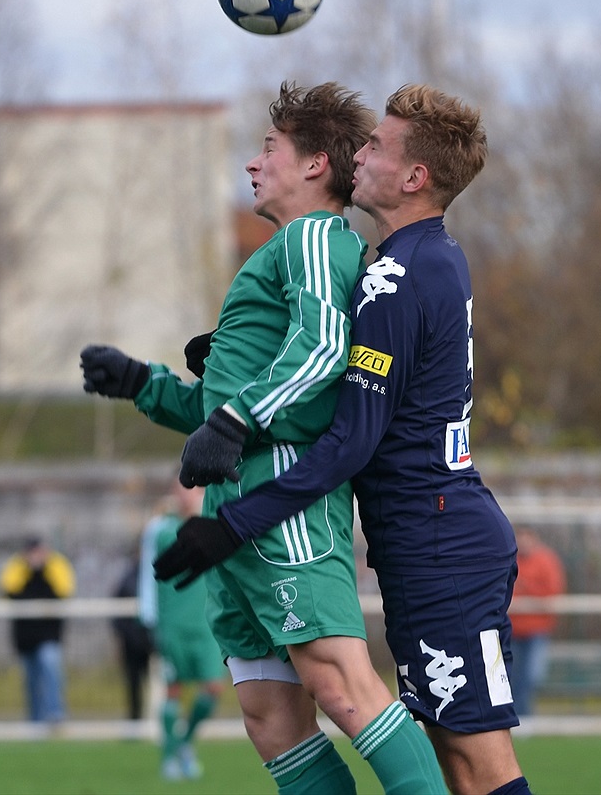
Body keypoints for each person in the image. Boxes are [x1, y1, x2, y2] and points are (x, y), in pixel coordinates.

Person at [155, 84, 535, 795]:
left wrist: (236, 522)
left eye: (377, 147)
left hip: (443, 542)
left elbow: (350, 441)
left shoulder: (398, 275)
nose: (359, 156)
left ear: (415, 176)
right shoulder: (402, 264)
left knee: (479, 763)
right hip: (420, 541)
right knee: (455, 761)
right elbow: (335, 349)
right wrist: (238, 348)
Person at [81, 81, 446, 795]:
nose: (253, 163)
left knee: (341, 684)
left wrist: (234, 419)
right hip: (230, 508)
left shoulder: (314, 236)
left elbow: (320, 347)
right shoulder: (280, 250)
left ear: (315, 166)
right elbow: (233, 395)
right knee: (269, 715)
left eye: (269, 148)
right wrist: (142, 384)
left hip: (284, 502)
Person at [138, 480, 226, 780]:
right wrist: (149, 619)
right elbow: (148, 576)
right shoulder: (161, 530)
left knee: (213, 688)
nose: (187, 493)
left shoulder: (215, 524)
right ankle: (169, 760)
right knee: (173, 690)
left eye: (193, 488)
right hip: (173, 624)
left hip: (207, 623)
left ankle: (183, 743)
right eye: (181, 488)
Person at [0, 536, 76, 724]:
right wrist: (29, 569)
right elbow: (9, 591)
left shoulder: (56, 565)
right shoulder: (16, 566)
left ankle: (55, 713)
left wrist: (42, 569)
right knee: (31, 680)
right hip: (25, 636)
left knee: (50, 667)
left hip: (49, 634)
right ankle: (34, 719)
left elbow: (63, 591)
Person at [509, 527, 566, 716]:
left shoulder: (546, 560)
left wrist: (528, 587)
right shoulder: (510, 559)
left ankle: (526, 717)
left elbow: (552, 592)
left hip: (537, 631)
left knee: (532, 676)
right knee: (511, 678)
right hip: (512, 631)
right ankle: (517, 719)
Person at [110, 543, 154, 722]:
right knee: (133, 682)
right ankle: (135, 718)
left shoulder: (156, 575)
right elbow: (117, 611)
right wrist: (122, 637)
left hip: (151, 639)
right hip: (132, 640)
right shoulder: (127, 578)